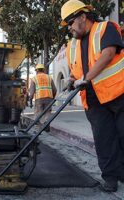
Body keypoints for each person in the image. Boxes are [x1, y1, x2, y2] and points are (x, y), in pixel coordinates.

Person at [61, 0, 124, 192]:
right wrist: (71, 80)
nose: (69, 28)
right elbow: (76, 71)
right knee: (104, 141)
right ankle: (111, 179)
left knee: (122, 136)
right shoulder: (72, 45)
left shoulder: (106, 28)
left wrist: (86, 78)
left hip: (118, 94)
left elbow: (108, 53)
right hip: (93, 101)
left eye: (70, 22)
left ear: (82, 16)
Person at [29, 63, 57, 132]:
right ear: (43, 70)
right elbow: (55, 90)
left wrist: (30, 100)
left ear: (36, 71)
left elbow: (31, 92)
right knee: (48, 112)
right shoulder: (49, 77)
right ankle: (46, 123)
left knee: (38, 113)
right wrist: (52, 97)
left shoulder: (34, 79)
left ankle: (39, 128)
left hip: (39, 99)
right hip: (49, 98)